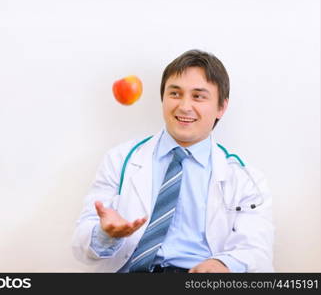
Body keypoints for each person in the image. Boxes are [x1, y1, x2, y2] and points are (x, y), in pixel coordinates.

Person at [72, 49, 274, 273]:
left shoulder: (245, 177)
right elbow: (81, 245)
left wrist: (223, 264)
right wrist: (105, 234)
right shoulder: (120, 160)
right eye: (175, 94)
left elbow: (257, 250)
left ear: (221, 107)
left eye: (198, 96)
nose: (184, 106)